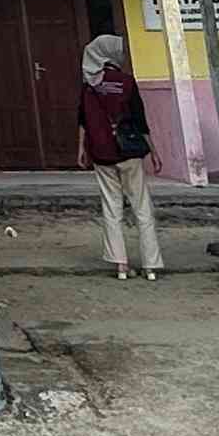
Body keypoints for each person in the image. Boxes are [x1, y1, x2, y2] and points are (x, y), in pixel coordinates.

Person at [78, 33, 163, 279]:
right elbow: (140, 119)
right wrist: (154, 151)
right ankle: (150, 265)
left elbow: (81, 120)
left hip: (101, 153)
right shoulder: (126, 82)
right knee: (142, 207)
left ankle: (121, 265)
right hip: (129, 153)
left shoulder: (88, 86)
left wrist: (81, 150)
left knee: (111, 208)